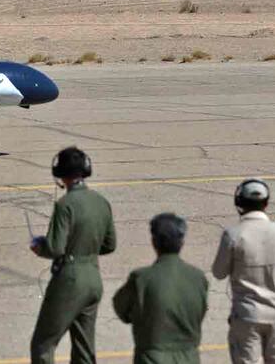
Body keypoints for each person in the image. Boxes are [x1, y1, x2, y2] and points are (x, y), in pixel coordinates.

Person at [29, 146, 116, 364]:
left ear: (60, 174)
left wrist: (41, 247)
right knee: (84, 350)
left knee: (43, 344)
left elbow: (55, 248)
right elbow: (110, 245)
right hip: (93, 278)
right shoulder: (101, 202)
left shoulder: (65, 205)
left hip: (69, 279)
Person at [212, 179, 275, 364]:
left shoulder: (234, 235)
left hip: (248, 314)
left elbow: (218, 272)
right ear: (266, 203)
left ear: (239, 203)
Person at [113, 213, 208, 364]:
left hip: (152, 358)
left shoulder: (141, 279)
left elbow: (121, 309)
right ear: (181, 242)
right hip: (188, 358)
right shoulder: (197, 278)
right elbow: (200, 312)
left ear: (154, 242)